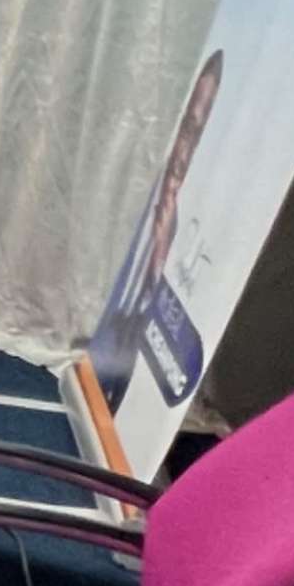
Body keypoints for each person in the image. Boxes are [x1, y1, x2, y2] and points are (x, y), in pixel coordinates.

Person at [88, 49, 220, 404]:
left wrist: (159, 265)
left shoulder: (187, 224)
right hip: (89, 347)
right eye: (187, 126)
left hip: (131, 373)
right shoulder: (136, 188)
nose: (185, 147)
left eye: (197, 132)